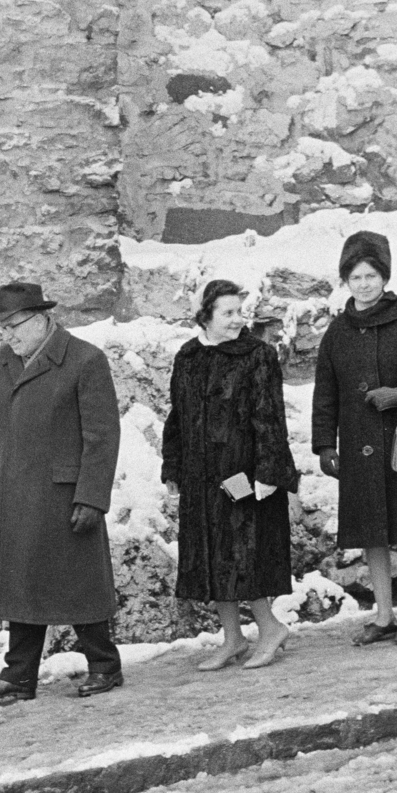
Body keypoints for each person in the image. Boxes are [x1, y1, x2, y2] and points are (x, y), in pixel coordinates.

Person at [0, 281, 124, 701]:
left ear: (41, 321)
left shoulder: (85, 360)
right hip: (19, 492)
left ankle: (104, 665)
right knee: (23, 585)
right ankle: (20, 674)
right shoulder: (3, 361)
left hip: (66, 495)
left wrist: (92, 496)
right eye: (1, 329)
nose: (7, 336)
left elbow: (102, 435)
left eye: (13, 326)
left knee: (80, 583)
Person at [311, 231, 397, 646]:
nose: (364, 284)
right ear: (345, 280)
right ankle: (384, 615)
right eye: (355, 276)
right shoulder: (337, 332)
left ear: (385, 277)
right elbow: (326, 393)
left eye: (371, 275)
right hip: (357, 447)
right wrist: (324, 444)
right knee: (371, 531)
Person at [161, 279, 300, 670]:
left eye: (240, 311)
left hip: (244, 475)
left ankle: (271, 628)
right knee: (211, 556)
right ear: (204, 316)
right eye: (227, 313)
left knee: (244, 555)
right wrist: (172, 466)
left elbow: (270, 415)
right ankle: (233, 637)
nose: (238, 320)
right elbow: (178, 415)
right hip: (200, 476)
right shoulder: (188, 356)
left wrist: (269, 471)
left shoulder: (257, 355)